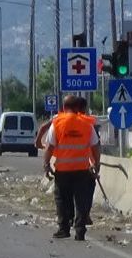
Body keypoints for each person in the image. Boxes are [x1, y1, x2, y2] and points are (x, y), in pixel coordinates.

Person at [43, 95, 101, 241]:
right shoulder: (87, 124)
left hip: (63, 170)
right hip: (82, 170)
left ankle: (64, 228)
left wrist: (46, 164)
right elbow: (95, 146)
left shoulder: (57, 123)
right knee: (82, 201)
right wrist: (96, 163)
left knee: (62, 199)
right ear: (77, 108)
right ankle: (80, 231)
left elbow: (49, 147)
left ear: (63, 108)